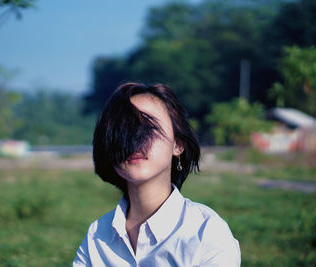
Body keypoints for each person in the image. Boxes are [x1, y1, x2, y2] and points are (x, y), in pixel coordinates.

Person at [73, 83, 241, 266]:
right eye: (123, 130)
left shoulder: (206, 233)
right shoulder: (97, 236)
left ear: (178, 144)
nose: (134, 141)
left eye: (148, 128)